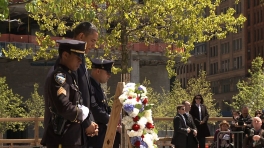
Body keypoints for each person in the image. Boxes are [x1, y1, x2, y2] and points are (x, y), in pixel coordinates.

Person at [43, 22, 99, 146]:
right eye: (92, 40)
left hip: (74, 135)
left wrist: (90, 120)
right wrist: (84, 118)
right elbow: (64, 106)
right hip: (63, 135)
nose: (94, 45)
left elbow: (84, 96)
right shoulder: (60, 74)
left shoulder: (71, 69)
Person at [87, 58, 121, 148]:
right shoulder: (90, 86)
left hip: (102, 133)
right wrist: (111, 120)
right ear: (98, 71)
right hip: (94, 134)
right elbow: (94, 108)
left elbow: (105, 108)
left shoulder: (98, 86)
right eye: (107, 73)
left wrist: (116, 117)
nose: (109, 76)